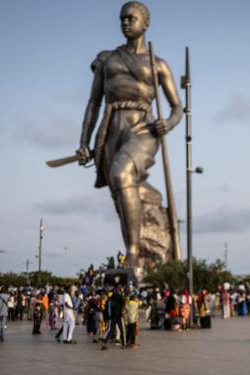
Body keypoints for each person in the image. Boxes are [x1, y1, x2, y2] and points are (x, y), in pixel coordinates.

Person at [75, 1, 182, 268]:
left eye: (131, 18)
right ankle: (132, 250)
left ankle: (133, 254)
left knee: (122, 174)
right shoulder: (107, 59)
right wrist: (84, 142)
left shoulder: (158, 64)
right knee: (118, 192)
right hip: (111, 126)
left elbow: (177, 107)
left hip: (143, 127)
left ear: (145, 23)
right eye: (122, 18)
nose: (125, 22)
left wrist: (168, 123)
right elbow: (93, 103)